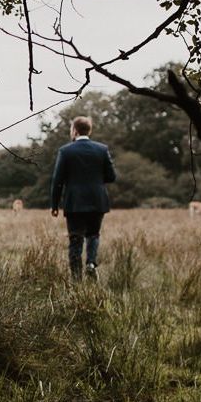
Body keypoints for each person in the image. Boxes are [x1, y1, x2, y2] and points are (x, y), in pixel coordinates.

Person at [50, 116, 116, 280]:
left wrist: (55, 204)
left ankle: (76, 279)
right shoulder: (102, 149)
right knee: (93, 234)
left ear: (74, 130)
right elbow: (112, 176)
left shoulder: (66, 151)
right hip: (97, 200)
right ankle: (91, 263)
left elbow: (57, 181)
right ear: (89, 130)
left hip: (74, 202)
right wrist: (96, 181)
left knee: (75, 238)